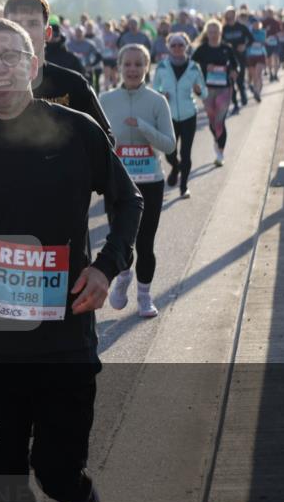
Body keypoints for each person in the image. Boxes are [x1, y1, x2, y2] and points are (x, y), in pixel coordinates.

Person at [0, 18, 143, 502]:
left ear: (32, 65)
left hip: (65, 335)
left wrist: (105, 266)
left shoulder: (76, 131)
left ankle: (82, 500)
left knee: (57, 470)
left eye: (10, 56)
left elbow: (127, 201)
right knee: (5, 472)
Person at [0, 0, 112, 136]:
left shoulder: (73, 84)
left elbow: (105, 140)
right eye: (16, 24)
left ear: (48, 33)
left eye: (33, 23)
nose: (24, 31)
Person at [100, 45, 176, 317]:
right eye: (127, 64)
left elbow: (169, 145)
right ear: (119, 67)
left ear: (147, 66)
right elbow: (96, 143)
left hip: (150, 181)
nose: (132, 69)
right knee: (120, 241)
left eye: (138, 64)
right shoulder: (105, 100)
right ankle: (123, 277)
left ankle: (145, 297)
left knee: (145, 243)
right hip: (118, 183)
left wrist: (143, 126)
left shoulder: (157, 101)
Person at [153, 33, 207, 198]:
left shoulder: (194, 67)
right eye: (174, 45)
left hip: (189, 114)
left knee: (186, 153)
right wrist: (162, 94)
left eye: (181, 45)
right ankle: (176, 168)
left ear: (187, 46)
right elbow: (155, 89)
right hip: (168, 115)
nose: (177, 48)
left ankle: (184, 186)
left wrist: (199, 91)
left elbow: (204, 92)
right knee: (169, 151)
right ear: (169, 47)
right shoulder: (162, 66)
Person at [191, 19, 239, 167]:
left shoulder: (227, 48)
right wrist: (206, 67)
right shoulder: (202, 49)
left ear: (220, 32)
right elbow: (192, 66)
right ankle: (217, 141)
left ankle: (220, 152)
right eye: (210, 32)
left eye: (215, 32)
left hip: (224, 88)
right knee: (212, 120)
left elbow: (235, 65)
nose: (213, 35)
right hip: (207, 88)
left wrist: (233, 72)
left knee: (220, 120)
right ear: (207, 33)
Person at [220, 7, 254, 114]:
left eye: (232, 16)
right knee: (230, 82)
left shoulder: (242, 27)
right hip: (228, 59)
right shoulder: (223, 29)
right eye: (228, 16)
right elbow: (219, 42)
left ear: (235, 16)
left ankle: (243, 93)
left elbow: (251, 39)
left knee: (240, 79)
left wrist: (245, 45)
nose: (230, 18)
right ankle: (235, 104)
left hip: (240, 57)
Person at [246, 20, 268, 102]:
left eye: (257, 24)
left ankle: (257, 92)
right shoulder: (249, 33)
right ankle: (256, 90)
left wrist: (255, 42)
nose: (256, 25)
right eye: (254, 24)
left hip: (260, 55)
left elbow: (262, 41)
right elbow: (247, 42)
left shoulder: (262, 32)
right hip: (251, 55)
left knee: (258, 74)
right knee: (254, 76)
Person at [262, 7, 283, 81]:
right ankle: (271, 73)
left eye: (271, 12)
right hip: (267, 43)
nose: (270, 14)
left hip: (275, 42)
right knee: (269, 58)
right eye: (269, 13)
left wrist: (275, 36)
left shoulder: (276, 22)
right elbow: (261, 32)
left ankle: (275, 74)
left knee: (276, 58)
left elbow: (280, 32)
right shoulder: (264, 22)